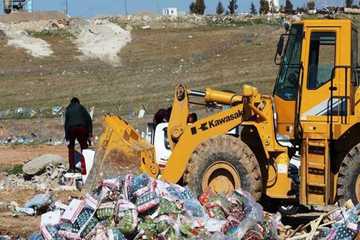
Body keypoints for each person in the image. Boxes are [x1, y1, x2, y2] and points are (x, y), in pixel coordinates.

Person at [64, 97, 92, 173]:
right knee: (84, 147)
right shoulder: (81, 107)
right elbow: (88, 119)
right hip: (81, 128)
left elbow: (66, 123)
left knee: (71, 148)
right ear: (77, 102)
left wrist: (67, 137)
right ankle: (85, 168)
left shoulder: (68, 109)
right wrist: (89, 134)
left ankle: (72, 168)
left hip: (71, 129)